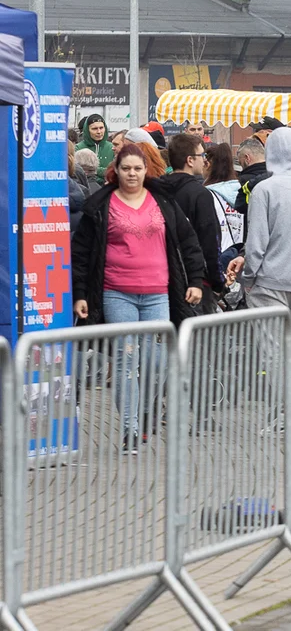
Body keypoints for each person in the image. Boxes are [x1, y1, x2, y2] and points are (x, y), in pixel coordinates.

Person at [71, 144, 206, 452]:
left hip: (158, 293)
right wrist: (80, 294)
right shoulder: (100, 206)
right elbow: (80, 254)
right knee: (125, 362)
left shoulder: (163, 201)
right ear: (115, 170)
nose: (132, 174)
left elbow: (188, 243)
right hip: (117, 293)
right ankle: (130, 428)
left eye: (137, 168)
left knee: (157, 363)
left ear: (147, 171)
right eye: (126, 168)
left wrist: (196, 281)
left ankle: (146, 411)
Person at [226, 128, 291, 311]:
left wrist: (249, 278)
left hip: (269, 281)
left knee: (270, 339)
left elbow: (257, 241)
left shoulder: (263, 189)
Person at [159, 134, 224, 313]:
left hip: (162, 277)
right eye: (202, 156)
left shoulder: (158, 190)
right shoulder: (199, 194)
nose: (205, 162)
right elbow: (210, 239)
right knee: (199, 338)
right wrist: (218, 280)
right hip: (195, 281)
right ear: (190, 160)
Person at [74, 113, 113, 181]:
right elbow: (78, 171)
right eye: (94, 129)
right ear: (87, 130)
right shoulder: (78, 148)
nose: (99, 132)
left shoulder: (112, 148)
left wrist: (92, 170)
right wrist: (103, 171)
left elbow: (114, 171)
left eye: (101, 128)